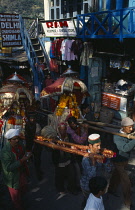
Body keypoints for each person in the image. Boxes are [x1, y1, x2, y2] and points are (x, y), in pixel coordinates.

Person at [1, 129, 32, 210]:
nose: (17, 140)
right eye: (14, 139)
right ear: (9, 140)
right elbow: (8, 168)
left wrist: (27, 155)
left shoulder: (20, 144)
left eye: (17, 138)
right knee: (15, 198)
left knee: (23, 190)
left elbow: (23, 152)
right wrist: (22, 160)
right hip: (12, 178)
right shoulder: (5, 152)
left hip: (21, 173)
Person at [108, 117, 135, 208]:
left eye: (132, 127)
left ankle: (111, 189)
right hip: (118, 160)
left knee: (116, 175)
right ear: (123, 127)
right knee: (126, 182)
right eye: (129, 127)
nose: (131, 129)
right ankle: (128, 202)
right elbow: (125, 148)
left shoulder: (130, 132)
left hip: (125, 160)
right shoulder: (116, 136)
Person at [80, 134, 113, 206]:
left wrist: (105, 160)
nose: (99, 147)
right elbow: (91, 176)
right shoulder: (86, 159)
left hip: (99, 186)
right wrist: (93, 162)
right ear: (90, 146)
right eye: (97, 146)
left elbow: (109, 169)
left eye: (100, 145)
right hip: (88, 187)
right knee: (90, 204)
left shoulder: (100, 154)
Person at [52, 122, 76, 197]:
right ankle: (60, 189)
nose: (62, 131)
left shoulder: (68, 136)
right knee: (59, 176)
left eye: (64, 129)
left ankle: (71, 188)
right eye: (61, 129)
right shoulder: (55, 138)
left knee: (71, 175)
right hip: (59, 160)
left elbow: (71, 144)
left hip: (68, 159)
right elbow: (51, 149)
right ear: (58, 130)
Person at [67, 116, 89, 191]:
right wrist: (86, 131)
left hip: (79, 152)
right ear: (69, 124)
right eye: (72, 124)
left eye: (74, 123)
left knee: (81, 168)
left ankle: (81, 184)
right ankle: (78, 185)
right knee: (77, 170)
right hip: (73, 154)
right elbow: (80, 140)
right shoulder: (70, 131)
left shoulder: (78, 128)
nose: (74, 125)